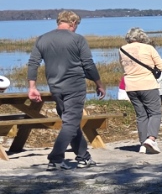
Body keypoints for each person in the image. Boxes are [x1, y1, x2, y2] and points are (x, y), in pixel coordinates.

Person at [26, 10, 105, 169]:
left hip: (55, 87)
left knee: (71, 123)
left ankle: (84, 157)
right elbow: (88, 64)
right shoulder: (78, 39)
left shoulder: (42, 39)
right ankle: (55, 159)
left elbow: (33, 63)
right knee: (70, 123)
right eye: (77, 25)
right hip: (75, 86)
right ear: (73, 23)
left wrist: (32, 87)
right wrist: (99, 83)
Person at [117, 27, 162, 154]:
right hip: (147, 84)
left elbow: (123, 65)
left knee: (141, 115)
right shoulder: (148, 48)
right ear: (142, 37)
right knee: (155, 113)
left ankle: (142, 143)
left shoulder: (122, 49)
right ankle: (151, 139)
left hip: (130, 85)